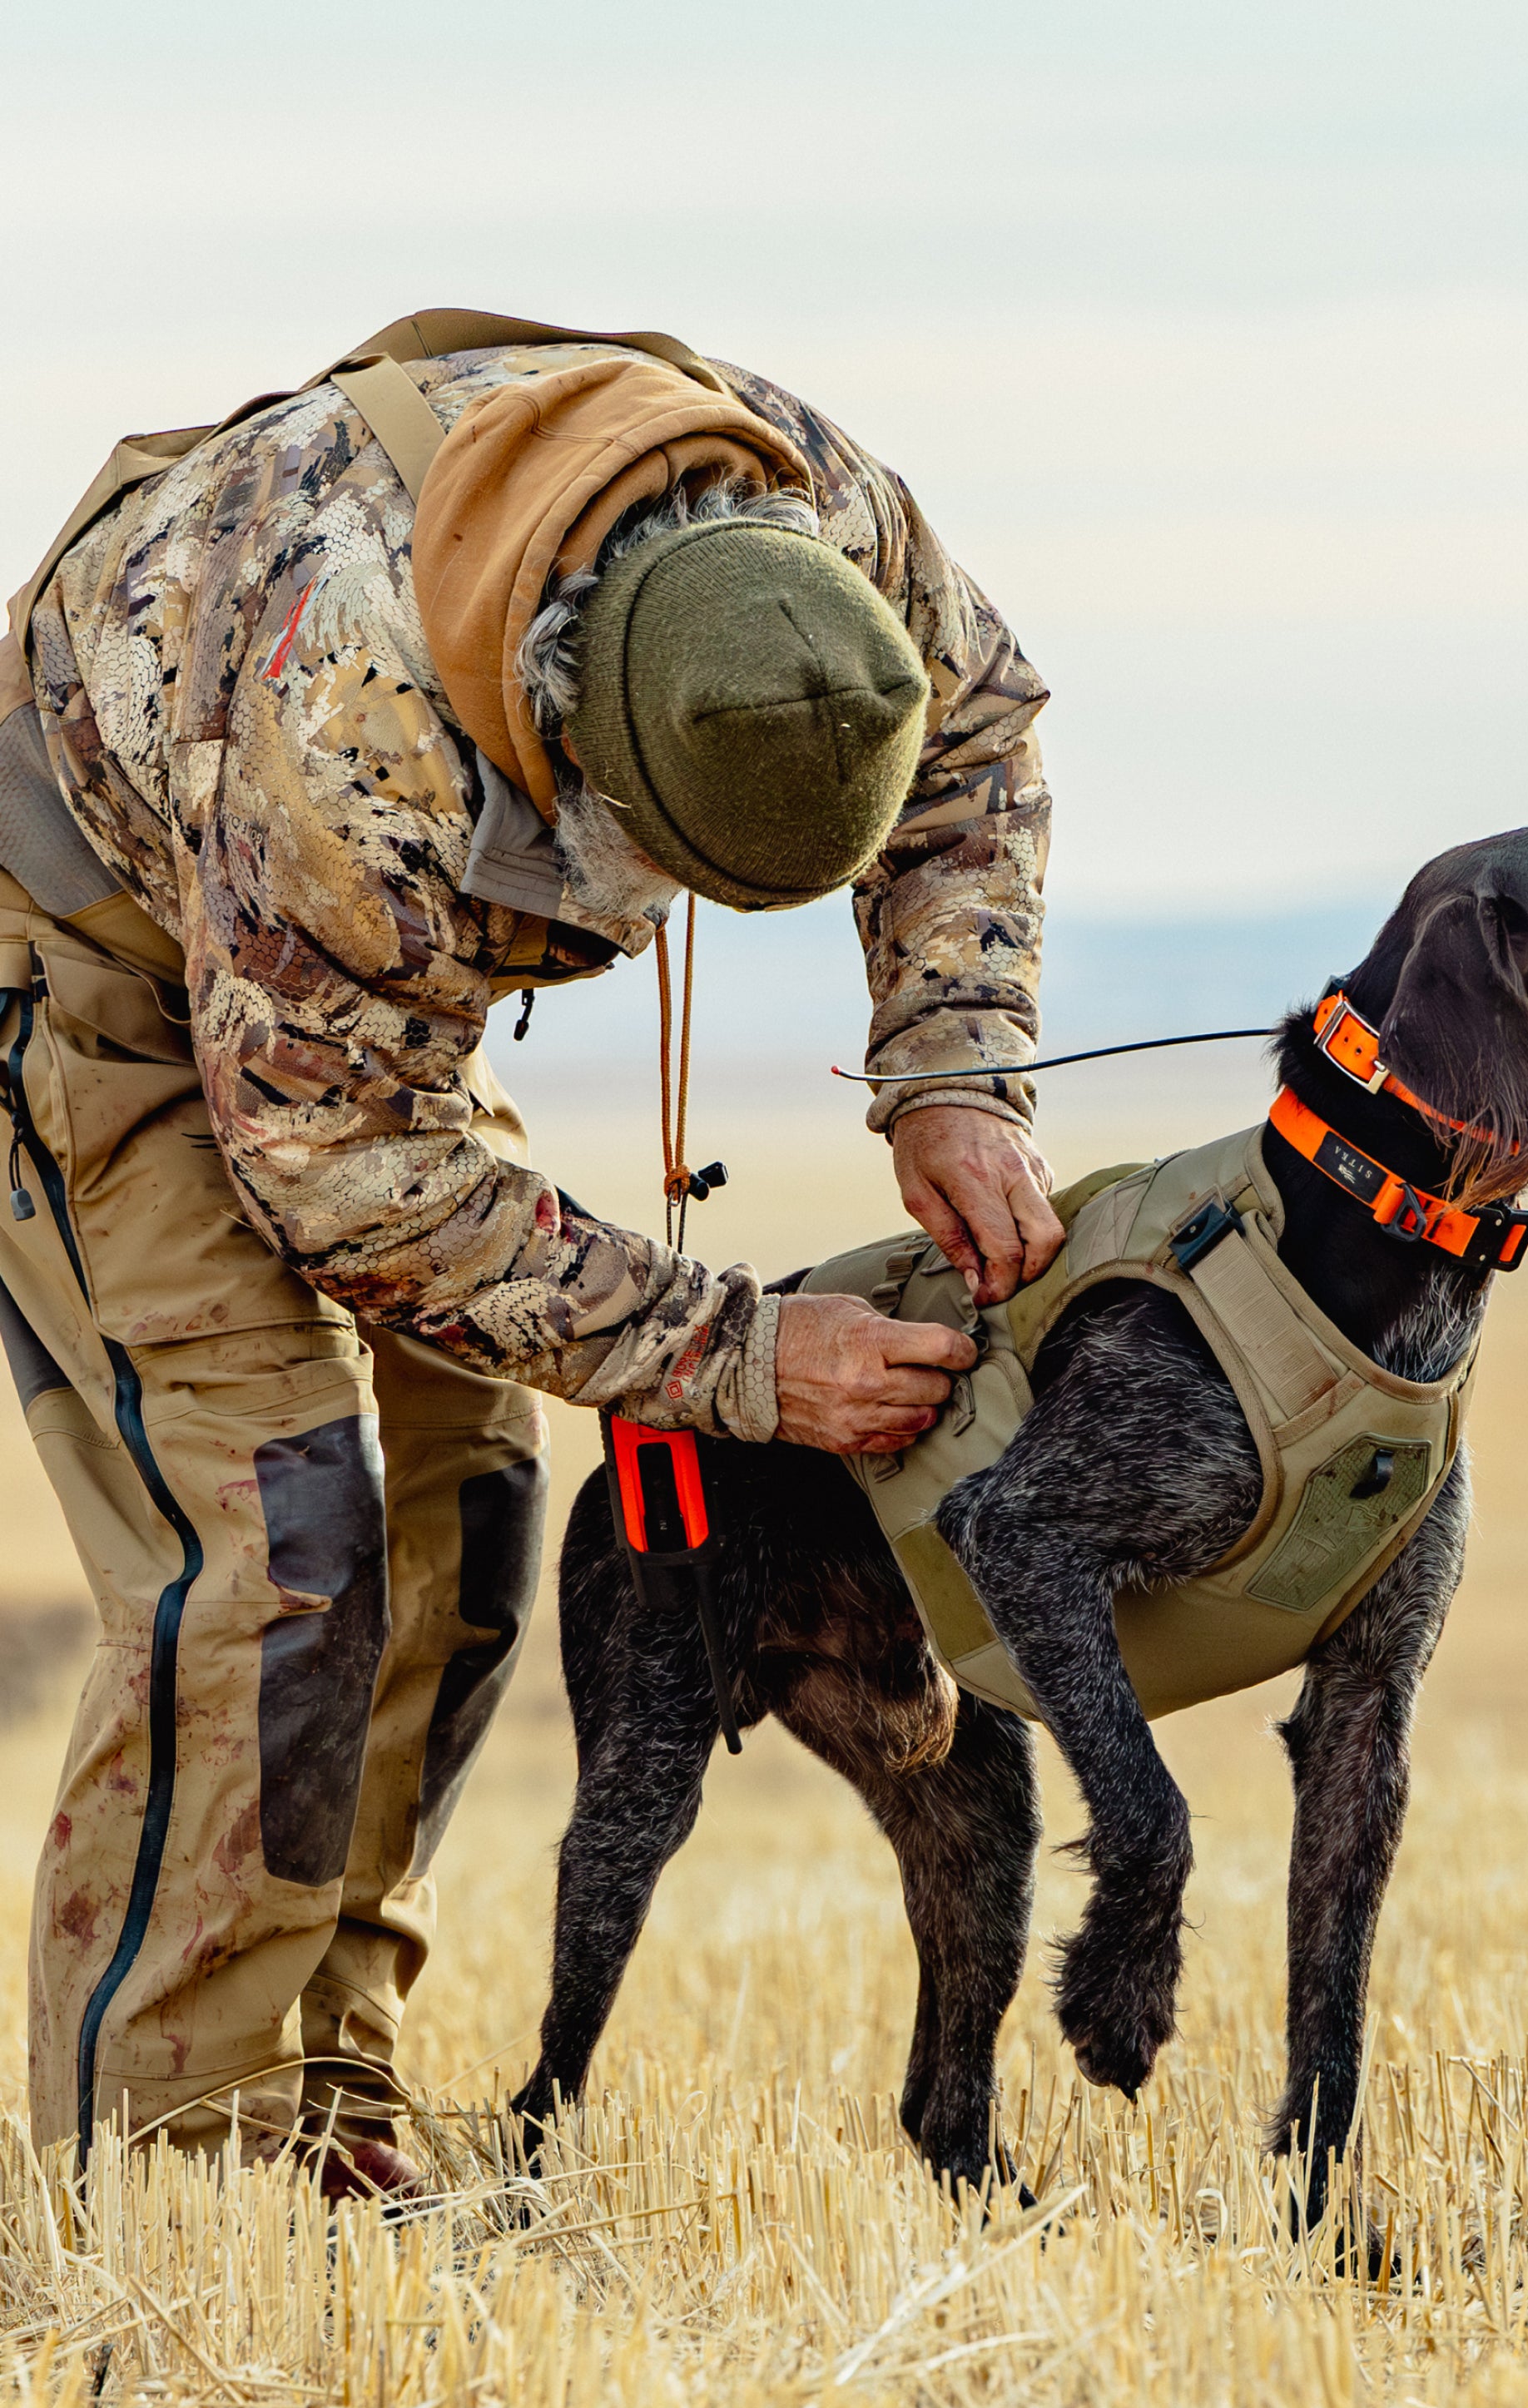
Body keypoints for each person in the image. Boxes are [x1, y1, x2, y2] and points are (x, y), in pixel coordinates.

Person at [0, 315, 1064, 2188]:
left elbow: (977, 732)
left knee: (472, 1492)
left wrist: (952, 1069)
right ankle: (173, 2170)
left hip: (333, 1002)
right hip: (90, 949)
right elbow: (348, 1174)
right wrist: (740, 1357)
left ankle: (327, 2087)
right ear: (566, 729)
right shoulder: (359, 727)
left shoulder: (811, 535)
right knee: (278, 1524)